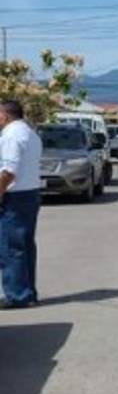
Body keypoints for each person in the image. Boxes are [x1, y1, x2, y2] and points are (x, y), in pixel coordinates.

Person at [0, 99, 43, 309]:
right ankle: (28, 292)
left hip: (14, 197)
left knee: (11, 247)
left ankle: (17, 295)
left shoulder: (10, 135)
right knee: (25, 246)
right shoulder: (30, 133)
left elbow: (8, 171)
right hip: (30, 194)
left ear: (4, 115)